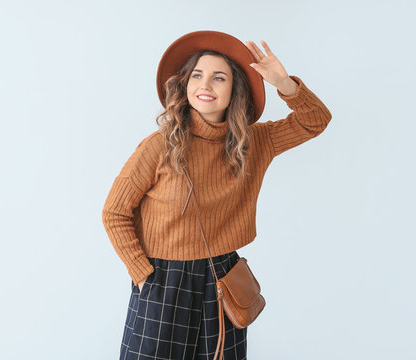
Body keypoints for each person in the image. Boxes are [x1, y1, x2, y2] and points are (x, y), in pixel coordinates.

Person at [102, 30, 332, 360]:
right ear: (185, 85)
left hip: (222, 275)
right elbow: (115, 212)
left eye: (218, 78)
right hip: (165, 280)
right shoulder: (160, 146)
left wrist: (283, 82)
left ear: (234, 90)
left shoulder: (255, 142)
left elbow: (315, 121)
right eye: (197, 75)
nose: (205, 85)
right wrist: (141, 274)